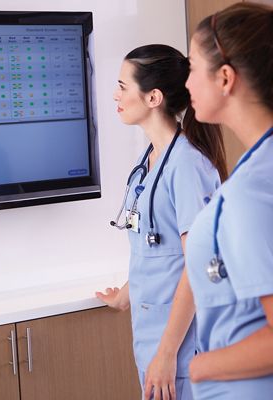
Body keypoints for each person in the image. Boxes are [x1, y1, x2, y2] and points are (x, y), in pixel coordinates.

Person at [96, 44, 227, 400]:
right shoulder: (150, 158)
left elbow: (200, 265)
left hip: (181, 352)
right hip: (152, 340)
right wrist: (125, 295)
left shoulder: (186, 166)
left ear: (153, 97)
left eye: (123, 86)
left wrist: (167, 354)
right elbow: (155, 242)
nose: (115, 95)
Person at [184, 2, 273, 399]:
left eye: (191, 67)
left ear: (224, 78)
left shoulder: (251, 191)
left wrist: (200, 365)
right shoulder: (259, 166)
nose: (185, 84)